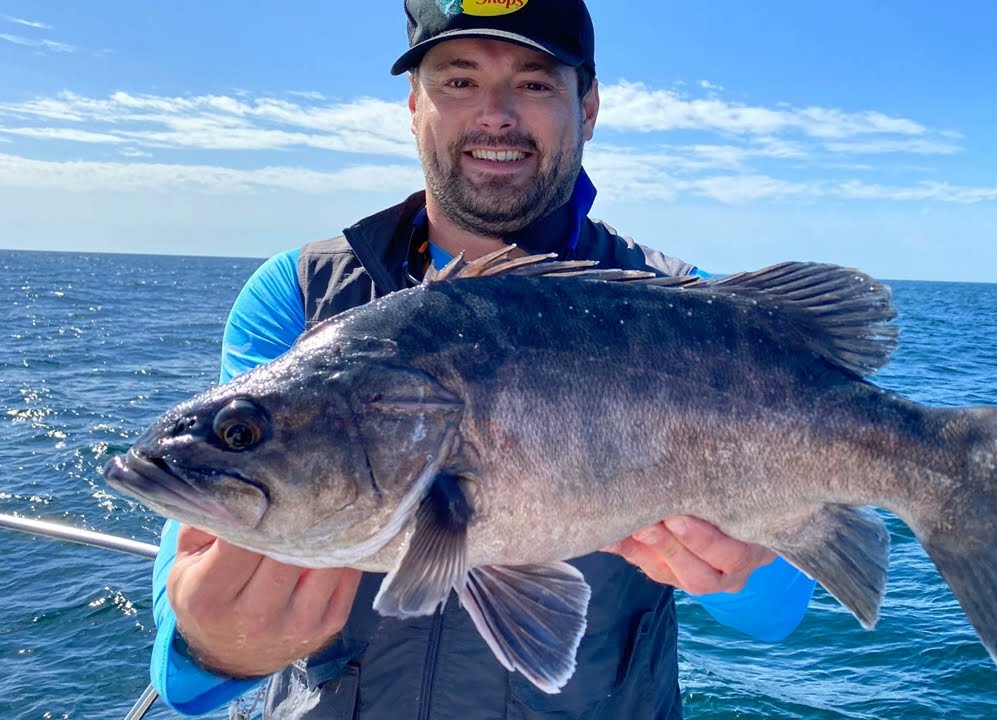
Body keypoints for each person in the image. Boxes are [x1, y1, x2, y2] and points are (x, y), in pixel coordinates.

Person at [149, 1, 817, 717]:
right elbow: (182, 677)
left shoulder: (691, 313)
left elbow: (777, 617)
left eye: (533, 84)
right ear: (414, 105)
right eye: (458, 81)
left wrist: (745, 562)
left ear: (587, 106)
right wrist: (218, 644)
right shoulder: (299, 295)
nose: (495, 116)